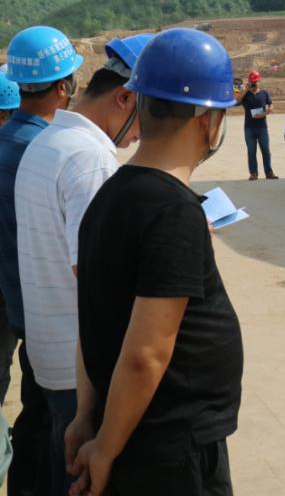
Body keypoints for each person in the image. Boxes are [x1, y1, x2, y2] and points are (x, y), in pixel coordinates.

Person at [69, 27, 243, 496]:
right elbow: (147, 354)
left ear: (140, 104)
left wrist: (87, 415)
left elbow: (90, 320)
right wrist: (105, 448)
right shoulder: (174, 211)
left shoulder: (109, 194)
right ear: (209, 120)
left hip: (127, 427)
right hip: (169, 446)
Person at [15, 34, 152, 496]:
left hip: (50, 351)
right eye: (147, 115)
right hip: (82, 367)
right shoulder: (91, 159)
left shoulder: (48, 141)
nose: (141, 134)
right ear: (124, 97)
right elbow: (95, 274)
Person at [0, 25, 83, 496]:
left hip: (16, 305)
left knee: (33, 417)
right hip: (45, 314)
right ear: (64, 87)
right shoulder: (47, 150)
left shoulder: (7, 141)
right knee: (55, 424)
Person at [240, 71, 277, 181]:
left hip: (262, 127)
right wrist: (245, 90)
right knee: (251, 152)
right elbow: (236, 101)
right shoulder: (246, 95)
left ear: (259, 81)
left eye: (255, 82)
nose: (253, 84)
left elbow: (271, 106)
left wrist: (264, 114)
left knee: (266, 151)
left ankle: (269, 172)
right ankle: (253, 173)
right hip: (249, 128)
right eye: (251, 82)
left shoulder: (264, 93)